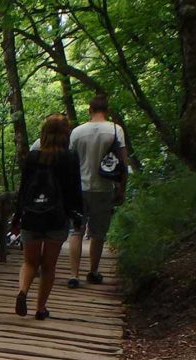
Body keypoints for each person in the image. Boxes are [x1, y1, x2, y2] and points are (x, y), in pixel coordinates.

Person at [10, 114, 83, 320]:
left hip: (32, 216)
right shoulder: (70, 157)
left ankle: (23, 290)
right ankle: (40, 309)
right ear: (65, 134)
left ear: (44, 133)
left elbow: (23, 190)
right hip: (56, 217)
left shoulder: (32, 157)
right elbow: (74, 191)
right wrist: (77, 215)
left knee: (29, 262)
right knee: (48, 266)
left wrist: (17, 217)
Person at [66, 95, 128, 286]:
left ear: (89, 110)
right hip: (104, 188)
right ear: (107, 110)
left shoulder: (76, 132)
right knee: (98, 234)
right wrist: (121, 188)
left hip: (80, 188)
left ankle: (74, 275)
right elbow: (123, 163)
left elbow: (70, 162)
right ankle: (93, 271)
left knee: (76, 231)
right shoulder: (115, 130)